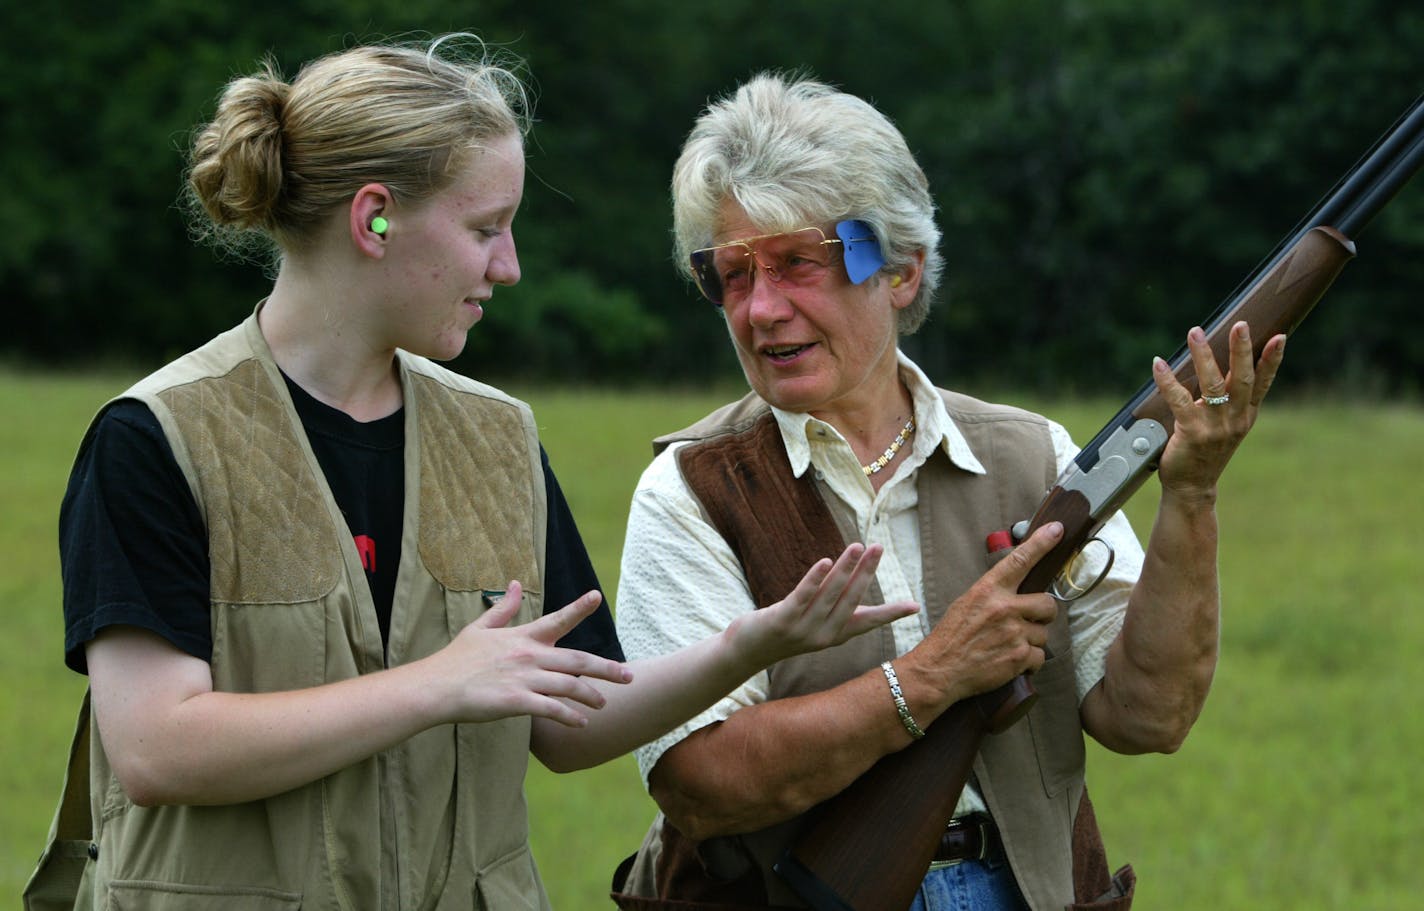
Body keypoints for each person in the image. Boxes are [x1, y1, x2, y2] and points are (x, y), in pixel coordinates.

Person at [22, 39, 920, 911]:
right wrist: (437, 683)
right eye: (486, 227)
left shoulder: (498, 435)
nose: (511, 264)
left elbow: (568, 725)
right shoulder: (157, 437)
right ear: (375, 217)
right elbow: (155, 748)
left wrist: (747, 646)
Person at [609, 72, 1288, 911]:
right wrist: (929, 678)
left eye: (796, 264)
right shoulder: (689, 488)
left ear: (899, 270)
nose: (761, 310)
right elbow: (702, 781)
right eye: (733, 274)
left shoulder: (1032, 453)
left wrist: (1191, 496)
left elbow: (1149, 716)